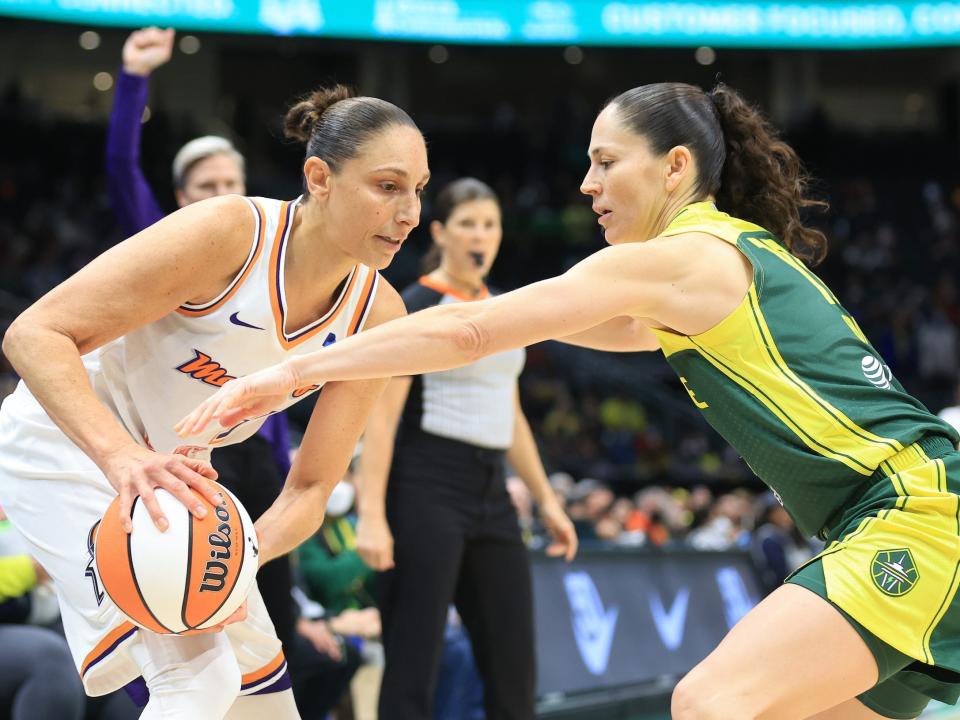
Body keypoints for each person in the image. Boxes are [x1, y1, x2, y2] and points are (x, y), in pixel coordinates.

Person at [181, 81, 960, 719]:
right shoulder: (720, 261)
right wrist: (478, 317)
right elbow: (539, 326)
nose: (585, 183)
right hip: (910, 511)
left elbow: (470, 334)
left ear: (674, 167)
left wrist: (288, 374)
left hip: (913, 516)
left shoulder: (679, 256)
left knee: (708, 704)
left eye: (605, 161)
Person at [0, 84, 429, 719]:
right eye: (388, 186)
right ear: (320, 178)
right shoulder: (230, 232)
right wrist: (121, 457)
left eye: (419, 189)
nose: (410, 213)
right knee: (197, 684)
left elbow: (310, 489)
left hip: (172, 490)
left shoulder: (378, 311)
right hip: (69, 449)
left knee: (265, 707)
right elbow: (33, 334)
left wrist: (242, 552)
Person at [353, 178, 578, 720]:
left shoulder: (505, 309)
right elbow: (380, 420)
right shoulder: (417, 304)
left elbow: (512, 412)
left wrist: (547, 500)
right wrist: (371, 515)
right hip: (425, 486)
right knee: (413, 665)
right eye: (468, 223)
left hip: (491, 490)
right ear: (440, 233)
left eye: (490, 224)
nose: (481, 235)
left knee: (514, 669)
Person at [105, 25, 298, 653]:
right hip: (185, 456)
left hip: (259, 460)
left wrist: (283, 456)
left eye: (229, 185)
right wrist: (134, 79)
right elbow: (120, 168)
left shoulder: (273, 263)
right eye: (206, 187)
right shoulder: (164, 247)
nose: (220, 196)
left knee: (275, 618)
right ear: (183, 198)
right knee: (193, 628)